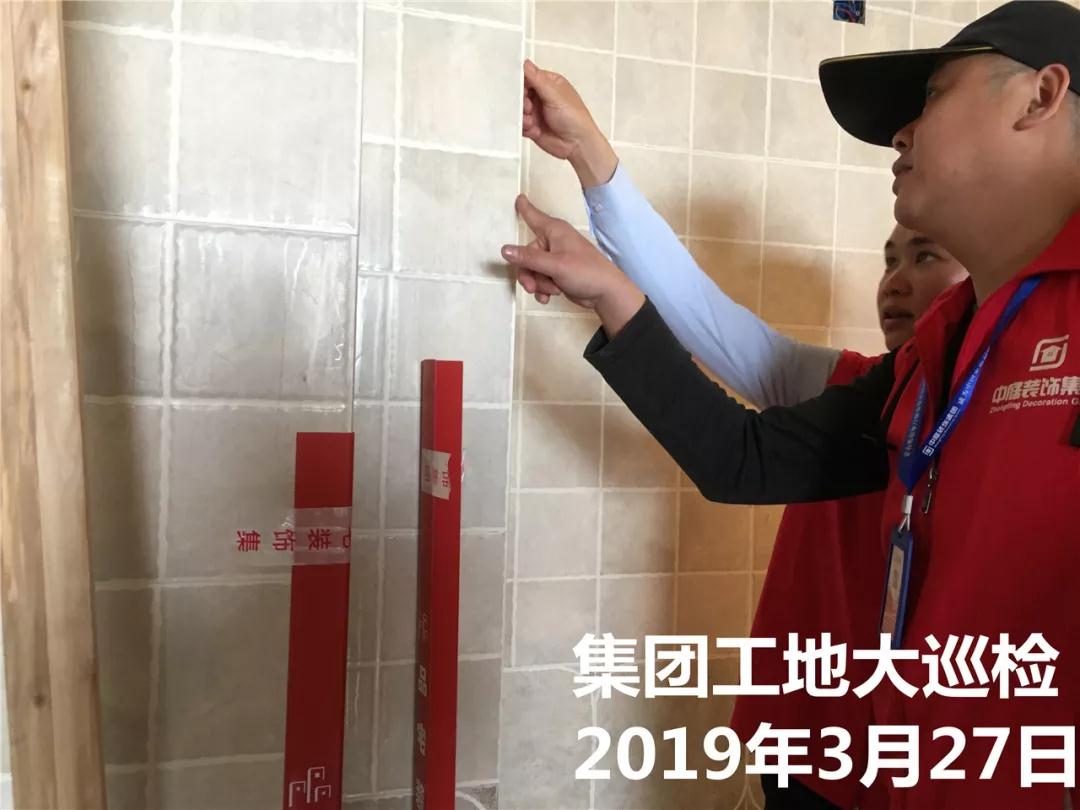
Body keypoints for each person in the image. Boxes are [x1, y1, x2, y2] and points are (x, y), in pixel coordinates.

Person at [501, 2, 1080, 808]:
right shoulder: (935, 357)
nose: (902, 135)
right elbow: (744, 453)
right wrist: (608, 281)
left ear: (1040, 97)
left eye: (933, 95)